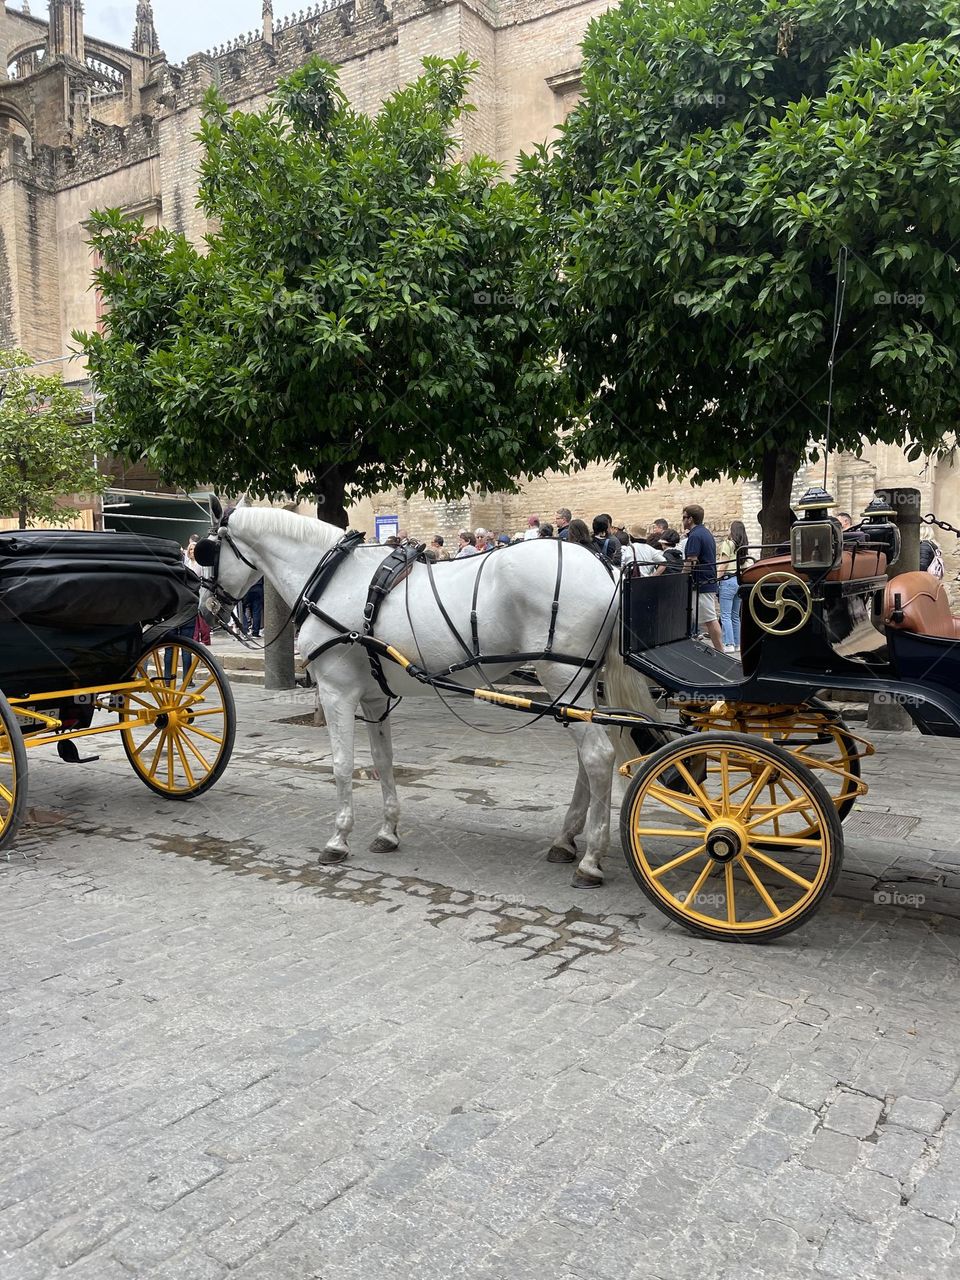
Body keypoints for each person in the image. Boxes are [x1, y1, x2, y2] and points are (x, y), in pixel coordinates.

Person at [681, 504, 723, 653]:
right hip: (706, 580)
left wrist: (682, 577)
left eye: (684, 517)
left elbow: (691, 560)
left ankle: (720, 652)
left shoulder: (695, 535)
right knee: (694, 617)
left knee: (710, 620)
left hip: (701, 583)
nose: (682, 520)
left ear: (690, 519)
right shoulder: (705, 532)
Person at [717, 520, 748, 653]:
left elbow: (723, 564)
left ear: (732, 530)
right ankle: (737, 644)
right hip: (739, 581)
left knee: (725, 615)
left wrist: (716, 578)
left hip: (728, 580)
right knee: (735, 615)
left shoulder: (728, 543)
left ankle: (728, 643)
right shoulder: (744, 546)